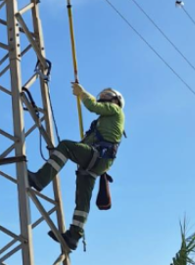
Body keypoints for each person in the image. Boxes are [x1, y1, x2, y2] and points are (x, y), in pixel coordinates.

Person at [28, 82, 125, 251]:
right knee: (82, 199)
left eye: (107, 95)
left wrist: (82, 93)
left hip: (97, 156)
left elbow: (92, 106)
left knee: (65, 145)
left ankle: (40, 179)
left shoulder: (116, 110)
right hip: (98, 161)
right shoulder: (102, 124)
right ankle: (74, 235)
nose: (103, 98)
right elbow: (85, 144)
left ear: (116, 100)